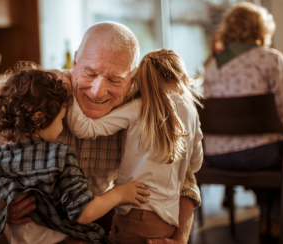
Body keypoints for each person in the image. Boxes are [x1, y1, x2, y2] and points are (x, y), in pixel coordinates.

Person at [0, 22, 202, 244]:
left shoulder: (142, 105)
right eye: (90, 73)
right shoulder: (37, 93)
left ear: (132, 80)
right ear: (75, 62)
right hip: (39, 229)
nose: (97, 91)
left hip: (101, 219)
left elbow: (184, 178)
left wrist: (179, 238)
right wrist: (1, 206)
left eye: (115, 79)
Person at [0, 62, 150, 244]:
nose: (62, 126)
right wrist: (121, 193)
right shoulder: (57, 157)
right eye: (60, 119)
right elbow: (83, 212)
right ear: (38, 119)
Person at [65, 49, 203, 243]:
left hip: (135, 212)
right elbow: (195, 165)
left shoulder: (138, 107)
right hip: (169, 218)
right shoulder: (191, 112)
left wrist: (68, 89)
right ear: (181, 76)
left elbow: (83, 128)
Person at [203, 2, 283, 241]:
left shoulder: (213, 65)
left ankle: (267, 215)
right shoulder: (271, 58)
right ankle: (276, 217)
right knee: (277, 149)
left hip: (216, 155)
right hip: (259, 154)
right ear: (262, 29)